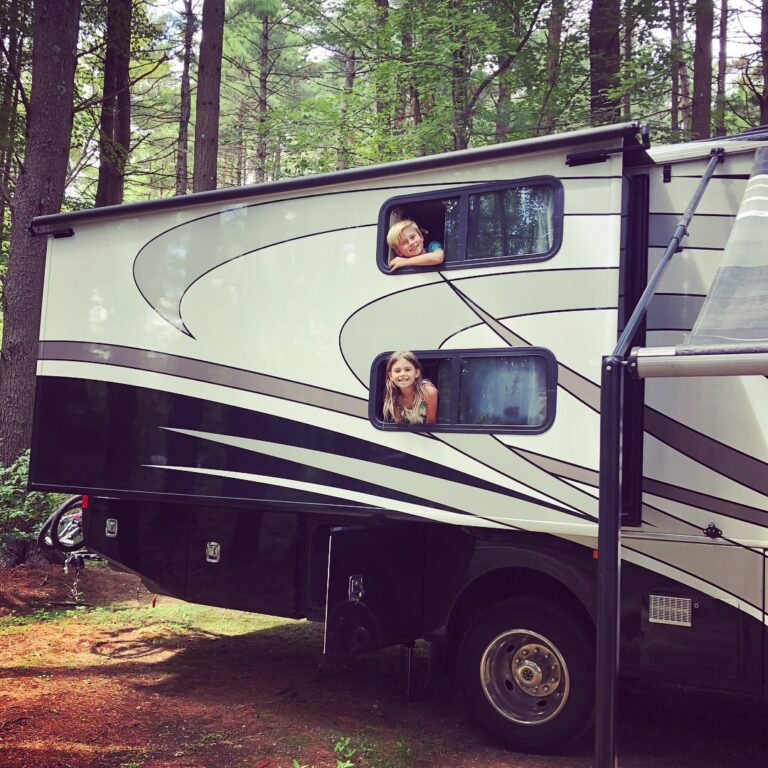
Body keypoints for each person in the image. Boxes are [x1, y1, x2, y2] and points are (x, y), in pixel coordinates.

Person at [382, 350, 438, 425]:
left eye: (407, 370)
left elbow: (431, 423)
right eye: (397, 371)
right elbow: (401, 425)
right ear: (391, 376)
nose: (402, 374)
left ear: (417, 373)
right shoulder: (394, 399)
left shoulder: (428, 392)